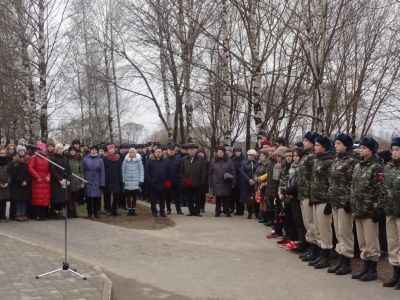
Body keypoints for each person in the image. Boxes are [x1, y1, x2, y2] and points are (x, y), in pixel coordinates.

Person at [351, 137, 384, 281]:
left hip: (370, 210)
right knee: (363, 241)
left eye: (364, 148)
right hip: (358, 208)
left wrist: (377, 209)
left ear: (371, 150)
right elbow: (353, 187)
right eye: (361, 148)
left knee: (371, 241)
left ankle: (372, 269)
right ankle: (365, 267)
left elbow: (380, 189)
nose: (361, 150)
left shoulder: (376, 166)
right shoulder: (359, 165)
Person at [327, 133, 358, 275]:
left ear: (346, 145)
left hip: (345, 202)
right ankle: (341, 260)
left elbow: (354, 183)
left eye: (338, 143)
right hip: (335, 201)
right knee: (339, 232)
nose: (335, 145)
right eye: (335, 143)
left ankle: (346, 262)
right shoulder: (337, 159)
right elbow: (332, 182)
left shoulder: (352, 160)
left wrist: (349, 200)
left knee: (345, 233)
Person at [308, 135, 334, 269]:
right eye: (315, 145)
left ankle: (326, 256)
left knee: (324, 230)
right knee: (317, 228)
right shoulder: (317, 160)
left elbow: (331, 183)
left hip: (324, 199)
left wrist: (329, 202)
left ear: (325, 147)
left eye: (318, 145)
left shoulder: (329, 161)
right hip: (316, 199)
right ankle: (319, 253)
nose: (315, 147)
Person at [382, 137, 400, 289]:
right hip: (390, 211)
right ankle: (396, 273)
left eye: (397, 150)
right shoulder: (387, 167)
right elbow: (383, 189)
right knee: (393, 244)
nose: (394, 152)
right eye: (393, 150)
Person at [298, 131, 319, 262]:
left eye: (306, 141)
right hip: (303, 194)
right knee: (307, 223)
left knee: (311, 223)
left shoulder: (313, 157)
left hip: (308, 194)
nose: (304, 142)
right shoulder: (306, 156)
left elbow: (313, 178)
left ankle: (315, 250)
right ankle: (311, 248)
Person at [286, 148, 307, 253]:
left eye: (297, 156)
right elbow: (289, 181)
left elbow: (299, 183)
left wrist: (289, 191)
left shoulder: (301, 168)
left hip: (298, 196)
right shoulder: (292, 167)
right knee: (296, 220)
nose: (294, 158)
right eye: (294, 156)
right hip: (292, 196)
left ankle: (303, 242)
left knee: (301, 222)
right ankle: (299, 241)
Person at [180, 143, 207, 217]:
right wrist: (183, 180)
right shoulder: (184, 159)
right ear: (188, 150)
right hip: (188, 183)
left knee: (198, 198)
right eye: (190, 149)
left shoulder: (201, 159)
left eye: (193, 149)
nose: (191, 151)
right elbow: (181, 171)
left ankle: (197, 211)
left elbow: (203, 171)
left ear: (196, 150)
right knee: (190, 198)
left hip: (198, 183)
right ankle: (191, 211)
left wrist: (202, 182)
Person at [209, 146, 236, 217]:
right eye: (218, 152)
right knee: (218, 198)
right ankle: (217, 211)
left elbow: (233, 171)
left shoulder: (229, 161)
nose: (219, 153)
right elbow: (210, 172)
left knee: (226, 197)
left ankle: (226, 211)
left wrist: (233, 181)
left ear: (224, 153)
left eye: (221, 152)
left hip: (226, 181)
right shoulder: (213, 160)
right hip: (216, 181)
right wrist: (210, 182)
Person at [28, 142, 51, 221]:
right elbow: (30, 168)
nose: (45, 149)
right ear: (39, 149)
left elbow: (51, 169)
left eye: (45, 148)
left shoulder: (48, 157)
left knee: (45, 198)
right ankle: (37, 215)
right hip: (37, 180)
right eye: (43, 148)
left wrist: (49, 176)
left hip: (46, 180)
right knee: (38, 198)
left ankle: (44, 215)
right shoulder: (34, 157)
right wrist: (37, 177)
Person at [145, 147, 170, 217]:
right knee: (153, 199)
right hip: (153, 183)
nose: (158, 153)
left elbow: (169, 172)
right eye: (157, 152)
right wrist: (150, 181)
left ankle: (162, 211)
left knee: (162, 199)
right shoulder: (149, 161)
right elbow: (147, 173)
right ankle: (154, 211)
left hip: (163, 183)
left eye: (160, 152)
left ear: (162, 153)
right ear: (154, 153)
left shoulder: (166, 161)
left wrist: (168, 182)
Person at [82, 145, 105, 218]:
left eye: (95, 149)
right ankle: (89, 213)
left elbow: (102, 172)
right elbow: (83, 171)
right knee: (88, 198)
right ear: (90, 150)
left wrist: (102, 182)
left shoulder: (100, 160)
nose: (93, 151)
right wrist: (83, 181)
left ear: (97, 151)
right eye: (92, 149)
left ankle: (96, 213)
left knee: (96, 198)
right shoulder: (85, 159)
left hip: (97, 181)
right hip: (88, 180)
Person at [10, 145, 31, 221]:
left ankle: (23, 213)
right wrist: (21, 181)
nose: (22, 152)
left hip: (26, 183)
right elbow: (14, 174)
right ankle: (18, 213)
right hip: (17, 184)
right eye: (20, 151)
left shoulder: (27, 161)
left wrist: (26, 181)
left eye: (23, 151)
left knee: (24, 200)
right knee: (18, 200)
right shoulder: (14, 161)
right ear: (18, 152)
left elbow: (29, 172)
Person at [50, 143, 71, 219]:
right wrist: (59, 179)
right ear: (56, 149)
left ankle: (64, 213)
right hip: (57, 181)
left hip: (65, 180)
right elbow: (53, 170)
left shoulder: (65, 158)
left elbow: (69, 170)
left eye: (62, 148)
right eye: (59, 148)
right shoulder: (53, 158)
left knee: (65, 198)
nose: (60, 150)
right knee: (57, 198)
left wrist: (68, 179)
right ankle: (57, 213)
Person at [122, 148, 144, 216]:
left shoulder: (139, 161)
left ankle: (133, 210)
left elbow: (141, 171)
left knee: (134, 197)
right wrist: (123, 180)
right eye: (130, 152)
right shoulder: (125, 161)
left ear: (135, 153)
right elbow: (123, 171)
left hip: (136, 181)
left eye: (133, 152)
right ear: (128, 153)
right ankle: (129, 210)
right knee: (128, 197)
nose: (132, 153)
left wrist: (141, 180)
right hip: (127, 181)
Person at [103, 144, 122, 216]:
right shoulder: (105, 158)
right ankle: (108, 209)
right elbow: (103, 170)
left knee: (116, 195)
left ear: (115, 150)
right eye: (110, 149)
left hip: (116, 179)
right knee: (107, 195)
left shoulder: (118, 158)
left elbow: (119, 169)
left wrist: (120, 178)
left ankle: (114, 209)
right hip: (107, 179)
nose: (112, 150)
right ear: (108, 150)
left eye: (113, 149)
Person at [166, 144, 183, 215]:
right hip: (167, 181)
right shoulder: (165, 160)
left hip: (176, 181)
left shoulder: (179, 159)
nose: (171, 152)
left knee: (177, 196)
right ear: (167, 151)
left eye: (173, 150)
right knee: (167, 196)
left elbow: (181, 170)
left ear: (174, 151)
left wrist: (179, 178)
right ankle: (168, 209)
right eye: (170, 150)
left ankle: (178, 209)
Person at [240, 149, 258, 219]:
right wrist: (249, 179)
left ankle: (256, 212)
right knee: (248, 199)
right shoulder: (244, 163)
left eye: (252, 155)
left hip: (255, 183)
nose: (251, 157)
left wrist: (254, 180)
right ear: (247, 155)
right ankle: (249, 212)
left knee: (255, 198)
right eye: (250, 155)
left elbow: (257, 172)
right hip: (246, 183)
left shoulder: (256, 163)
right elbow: (242, 171)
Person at [67, 146, 84, 218]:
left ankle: (74, 211)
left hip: (77, 180)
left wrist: (82, 181)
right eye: (71, 150)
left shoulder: (78, 159)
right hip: (70, 180)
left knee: (75, 198)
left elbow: (81, 171)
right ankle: (69, 212)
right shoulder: (67, 159)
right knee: (69, 197)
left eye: (74, 150)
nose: (72, 152)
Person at [232, 148, 244, 215]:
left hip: (241, 179)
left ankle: (241, 210)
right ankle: (237, 210)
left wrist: (237, 168)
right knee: (236, 196)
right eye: (236, 152)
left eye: (239, 151)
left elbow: (242, 168)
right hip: (235, 179)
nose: (237, 153)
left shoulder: (243, 159)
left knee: (240, 196)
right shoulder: (233, 159)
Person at [0, 147, 11, 222]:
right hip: (0, 184)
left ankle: (3, 216)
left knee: (4, 201)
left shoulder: (8, 163)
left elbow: (10, 174)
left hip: (6, 184)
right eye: (1, 153)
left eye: (4, 153)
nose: (2, 154)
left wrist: (7, 182)